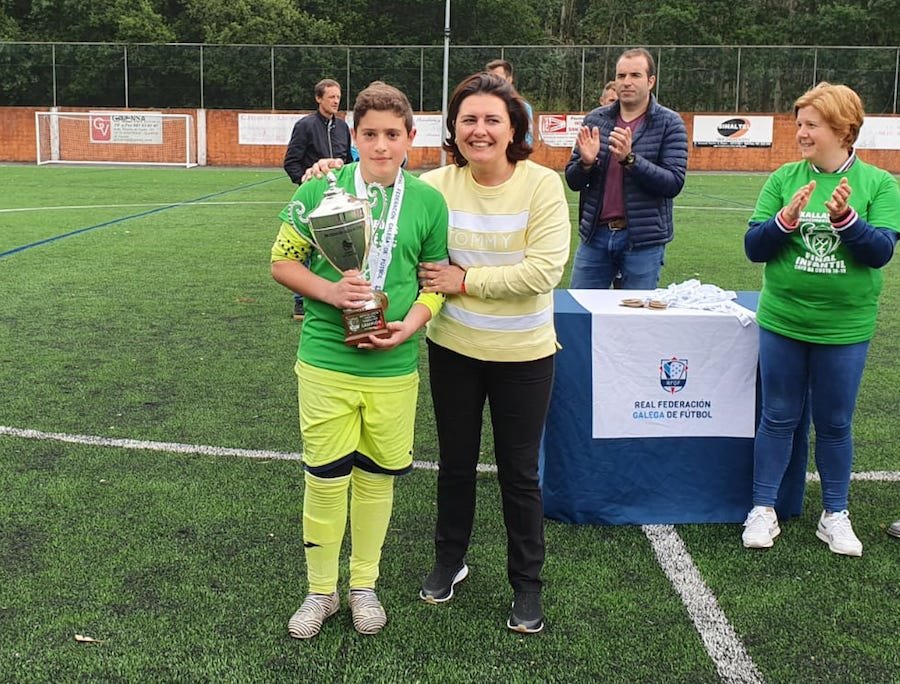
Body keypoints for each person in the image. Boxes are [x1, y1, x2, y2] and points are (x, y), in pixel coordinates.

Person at [271, 82, 449, 638]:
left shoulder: (428, 202)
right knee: (325, 478)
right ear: (354, 136)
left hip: (393, 367)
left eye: (392, 134)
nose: (381, 145)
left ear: (410, 138)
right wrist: (331, 292)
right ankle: (320, 591)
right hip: (326, 359)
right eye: (370, 134)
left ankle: (363, 585)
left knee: (375, 479)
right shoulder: (320, 190)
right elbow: (281, 262)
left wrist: (408, 328)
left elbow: (436, 284)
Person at [417, 72, 571, 634]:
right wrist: (330, 173)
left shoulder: (542, 185)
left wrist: (465, 280)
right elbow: (380, 207)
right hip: (453, 348)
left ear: (513, 129)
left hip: (524, 355)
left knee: (519, 473)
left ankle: (527, 585)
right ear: (453, 129)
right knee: (455, 464)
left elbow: (543, 272)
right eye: (468, 120)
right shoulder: (433, 186)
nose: (479, 130)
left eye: (491, 120)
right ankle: (449, 561)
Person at [741, 82, 899, 557]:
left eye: (812, 124)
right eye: (800, 123)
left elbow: (880, 252)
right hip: (783, 321)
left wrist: (847, 220)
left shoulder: (880, 184)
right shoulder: (784, 178)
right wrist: (784, 221)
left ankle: (835, 514)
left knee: (834, 422)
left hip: (844, 328)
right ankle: (762, 508)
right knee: (777, 416)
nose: (802, 133)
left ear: (843, 130)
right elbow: (754, 247)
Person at [565, 47, 688, 290]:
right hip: (595, 237)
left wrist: (630, 160)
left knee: (636, 312)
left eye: (635, 75)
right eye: (621, 76)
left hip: (643, 241)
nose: (627, 82)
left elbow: (673, 183)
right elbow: (573, 180)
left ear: (651, 81)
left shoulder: (670, 123)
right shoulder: (595, 120)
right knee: (581, 307)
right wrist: (585, 163)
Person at [283, 78, 355, 320]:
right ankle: (300, 301)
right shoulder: (305, 126)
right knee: (307, 246)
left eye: (338, 97)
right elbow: (291, 162)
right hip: (315, 199)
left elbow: (348, 162)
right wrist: (307, 184)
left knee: (341, 245)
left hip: (341, 199)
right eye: (331, 96)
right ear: (318, 98)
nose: (336, 101)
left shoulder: (343, 127)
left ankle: (339, 292)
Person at [486, 59, 534, 147]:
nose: (492, 81)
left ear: (509, 80)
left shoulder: (522, 107)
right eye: (490, 78)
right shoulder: (482, 105)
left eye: (497, 78)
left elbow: (527, 138)